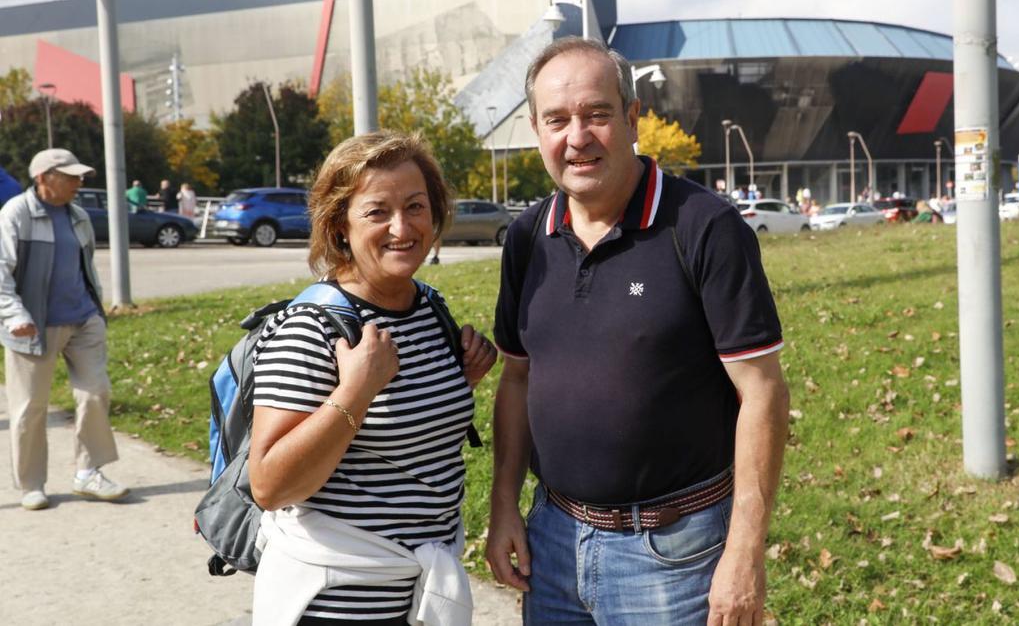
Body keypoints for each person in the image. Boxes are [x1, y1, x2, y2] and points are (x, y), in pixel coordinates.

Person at [486, 37, 790, 624]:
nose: (577, 137)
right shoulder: (526, 239)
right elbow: (517, 380)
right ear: (536, 130)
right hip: (551, 541)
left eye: (596, 114)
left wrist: (745, 551)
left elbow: (763, 391)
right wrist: (504, 507)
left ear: (631, 119)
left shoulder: (704, 227)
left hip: (674, 557)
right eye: (557, 120)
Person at [247, 131, 496, 624]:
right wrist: (357, 390)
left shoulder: (428, 306)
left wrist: (457, 379)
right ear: (340, 225)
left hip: (421, 597)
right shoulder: (312, 327)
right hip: (336, 603)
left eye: (415, 206)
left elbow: (400, 432)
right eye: (377, 211)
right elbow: (270, 486)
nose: (401, 227)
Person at [0, 148, 127, 511]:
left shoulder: (79, 216)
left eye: (79, 175)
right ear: (43, 178)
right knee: (29, 408)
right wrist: (14, 317)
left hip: (82, 321)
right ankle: (31, 484)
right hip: (31, 327)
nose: (79, 182)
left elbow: (86, 265)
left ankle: (89, 472)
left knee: (94, 394)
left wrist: (96, 310)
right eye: (70, 176)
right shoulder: (16, 214)